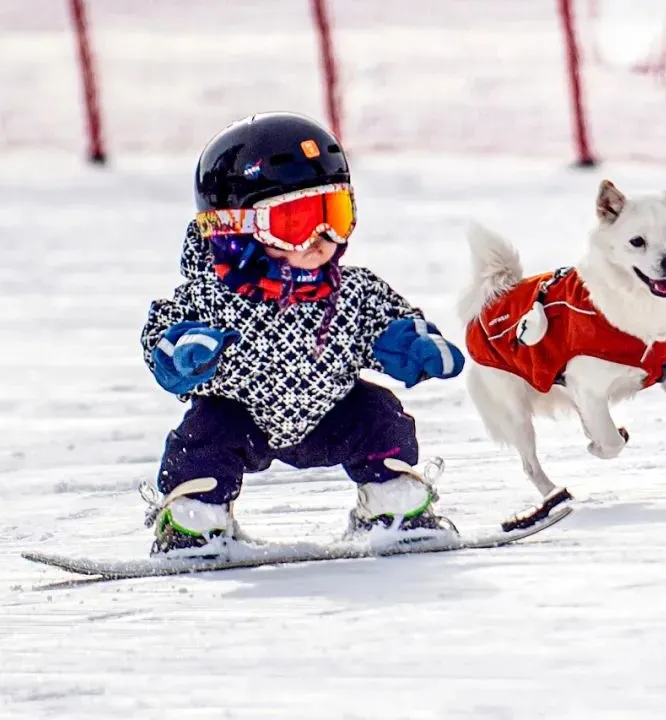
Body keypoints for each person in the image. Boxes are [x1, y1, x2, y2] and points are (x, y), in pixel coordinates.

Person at [138, 111, 466, 557]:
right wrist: (181, 355)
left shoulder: (352, 292)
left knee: (379, 415)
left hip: (332, 415)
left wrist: (411, 344)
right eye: (295, 222)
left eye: (334, 214)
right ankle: (195, 518)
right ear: (237, 231)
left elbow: (388, 320)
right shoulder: (212, 298)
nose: (320, 238)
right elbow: (161, 334)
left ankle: (393, 503)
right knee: (204, 436)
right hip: (243, 418)